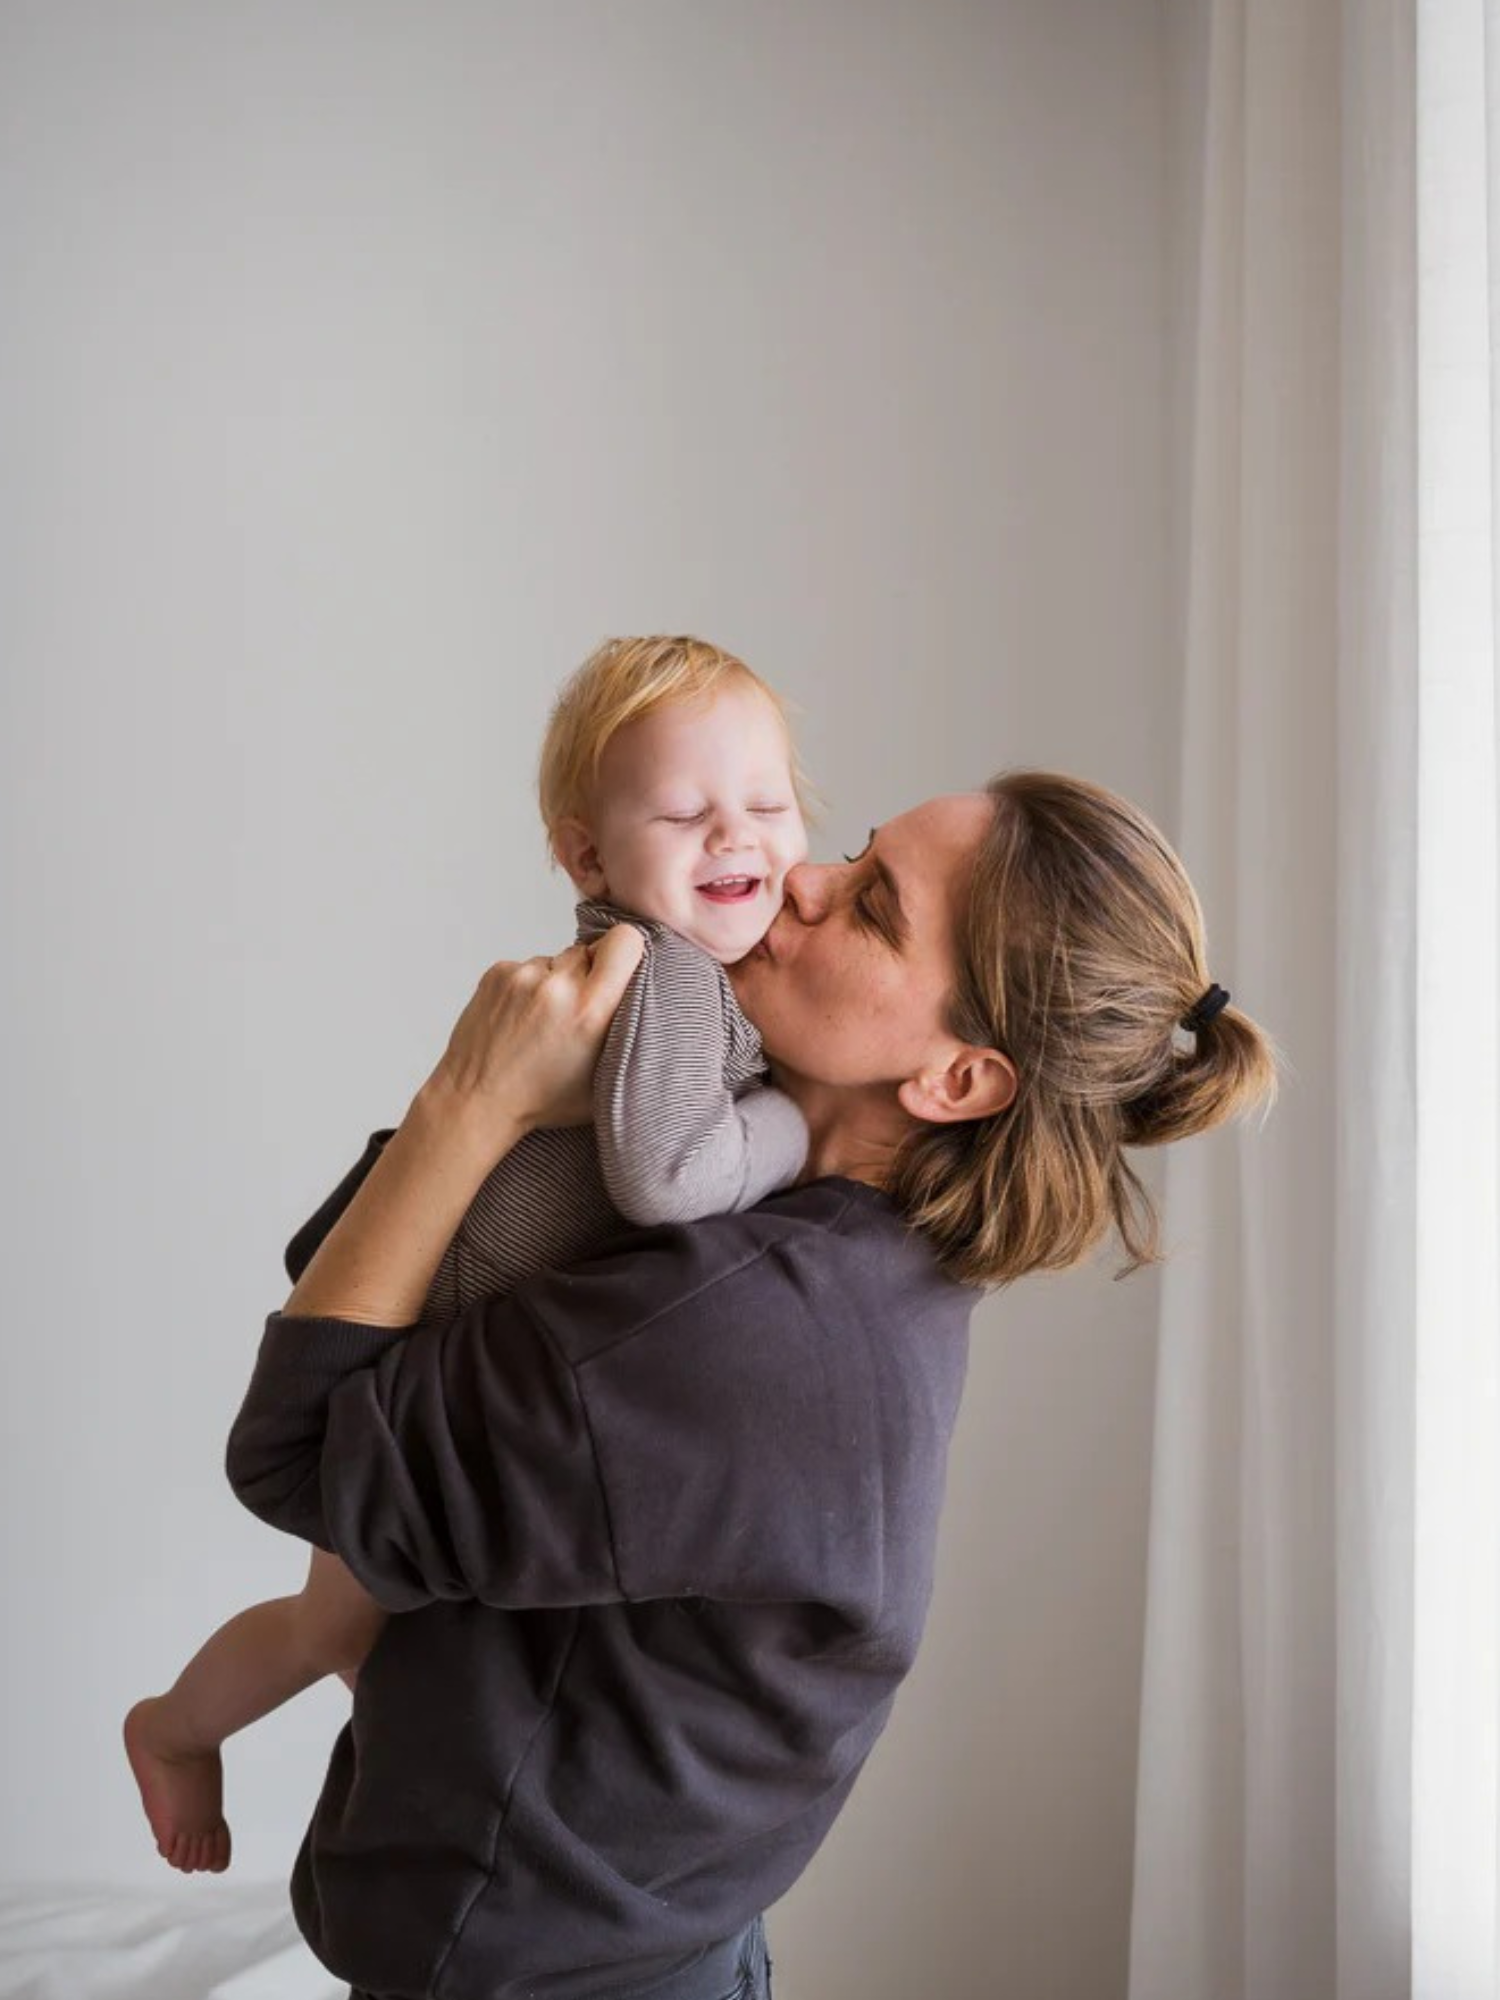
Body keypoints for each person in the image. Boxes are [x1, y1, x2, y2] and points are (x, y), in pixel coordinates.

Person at [231, 771, 1277, 2000]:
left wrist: (476, 1095)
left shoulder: (736, 1328)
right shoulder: (848, 1247)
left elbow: (296, 1450)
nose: (805, 877)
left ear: (958, 1079)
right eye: (859, 848)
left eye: (874, 905)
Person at [123, 636, 824, 1877]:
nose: (738, 837)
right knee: (337, 1622)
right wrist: (797, 1126)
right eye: (685, 810)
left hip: (439, 1333)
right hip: (418, 1349)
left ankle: (185, 1726)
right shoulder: (662, 971)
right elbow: (669, 1177)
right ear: (587, 854)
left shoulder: (699, 970)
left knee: (341, 1627)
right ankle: (173, 1729)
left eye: (768, 804)